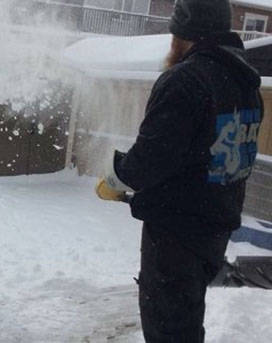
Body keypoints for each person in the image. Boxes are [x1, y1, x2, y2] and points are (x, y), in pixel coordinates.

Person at [95, 0, 264, 342]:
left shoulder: (186, 80)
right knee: (186, 324)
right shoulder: (246, 83)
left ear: (185, 35)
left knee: (169, 330)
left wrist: (116, 178)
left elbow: (149, 160)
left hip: (176, 235)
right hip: (215, 227)